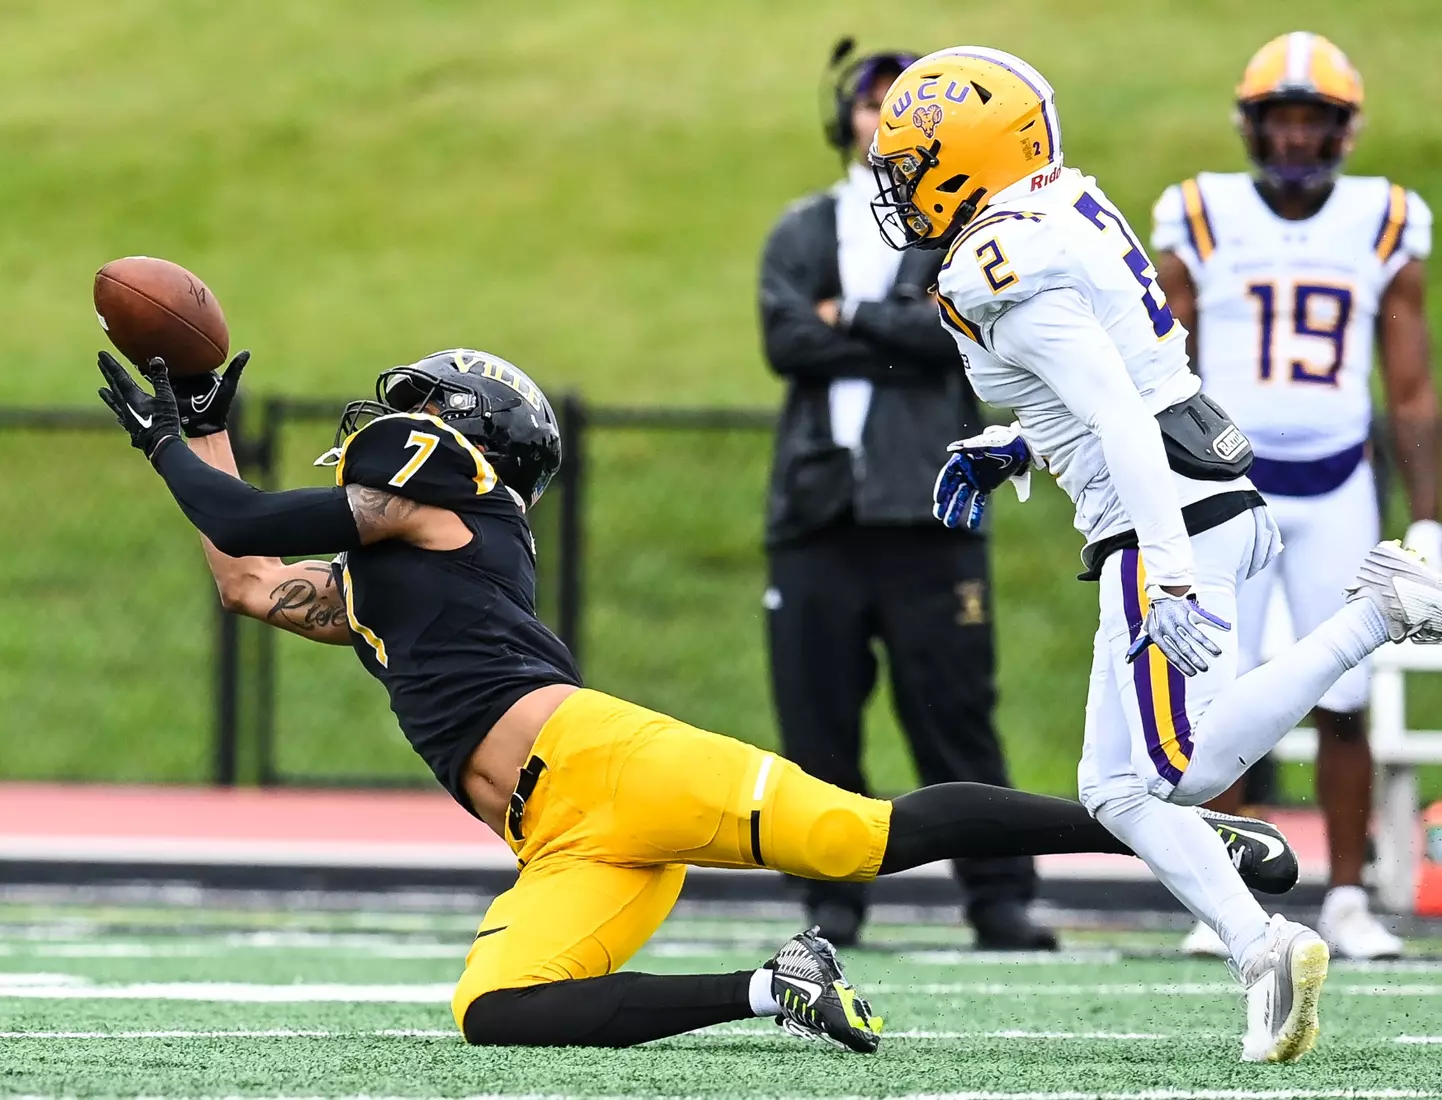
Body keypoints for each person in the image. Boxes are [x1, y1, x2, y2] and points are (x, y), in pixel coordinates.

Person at [94, 346, 1299, 1053]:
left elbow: (242, 515)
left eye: (419, 401)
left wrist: (173, 448)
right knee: (496, 1008)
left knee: (864, 835)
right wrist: (203, 424)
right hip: (557, 832)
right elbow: (247, 575)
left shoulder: (446, 480)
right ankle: (774, 986)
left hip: (603, 757)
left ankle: (1150, 824)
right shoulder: (392, 558)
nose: (393, 418)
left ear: (464, 433)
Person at [869, 44, 1442, 1062]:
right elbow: (1116, 377)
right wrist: (1018, 446)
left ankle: (1379, 612)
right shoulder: (1056, 208)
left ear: (965, 158)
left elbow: (1119, 410)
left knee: (1181, 767)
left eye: (912, 166)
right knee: (1115, 789)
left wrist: (1168, 566)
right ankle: (1265, 948)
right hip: (1186, 494)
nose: (900, 188)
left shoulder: (996, 259)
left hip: (1163, 516)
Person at [1150, 32, 1436, 962]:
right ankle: (1221, 898)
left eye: (1315, 121)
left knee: (1345, 695)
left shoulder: (1387, 218)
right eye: (1282, 120)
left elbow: (1410, 388)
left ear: (1344, 131)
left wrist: (1428, 515)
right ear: (1252, 125)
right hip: (1228, 486)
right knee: (1215, 695)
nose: (1298, 139)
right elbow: (1161, 367)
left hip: (1338, 481)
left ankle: (1347, 896)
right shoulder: (1199, 212)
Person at [760, 41, 1048, 950]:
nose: (882, 116)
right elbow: (785, 340)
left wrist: (850, 318)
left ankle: (997, 895)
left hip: (930, 511)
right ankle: (831, 896)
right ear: (844, 119)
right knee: (817, 721)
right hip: (818, 513)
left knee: (954, 714)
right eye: (870, 100)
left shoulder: (964, 228)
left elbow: (954, 334)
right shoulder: (802, 227)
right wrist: (895, 331)